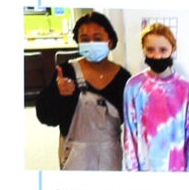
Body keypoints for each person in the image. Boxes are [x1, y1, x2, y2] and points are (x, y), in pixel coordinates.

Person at [34, 11, 126, 170]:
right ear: (78, 42)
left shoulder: (123, 78)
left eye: (97, 39)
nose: (91, 43)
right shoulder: (66, 72)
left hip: (111, 157)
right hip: (75, 158)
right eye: (85, 39)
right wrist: (57, 94)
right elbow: (46, 117)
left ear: (110, 41)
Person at [122, 21, 189, 172]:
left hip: (177, 171)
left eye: (163, 50)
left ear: (172, 49)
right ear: (143, 50)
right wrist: (132, 173)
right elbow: (130, 134)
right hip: (144, 170)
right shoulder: (134, 86)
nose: (157, 55)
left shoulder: (185, 88)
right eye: (150, 50)